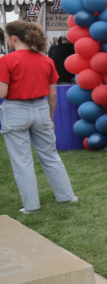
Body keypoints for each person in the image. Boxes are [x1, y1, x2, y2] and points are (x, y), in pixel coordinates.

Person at [0, 20, 80, 214]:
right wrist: (51, 118)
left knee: (22, 161)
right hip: (41, 109)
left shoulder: (6, 60)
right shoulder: (46, 60)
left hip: (15, 110)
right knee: (51, 156)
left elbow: (2, 93)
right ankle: (67, 196)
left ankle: (31, 206)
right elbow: (53, 94)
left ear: (13, 38)